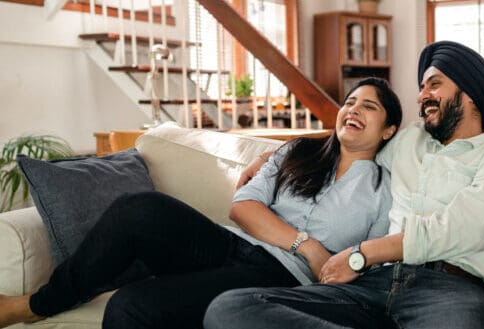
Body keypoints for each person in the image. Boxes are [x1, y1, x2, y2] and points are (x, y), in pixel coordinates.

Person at [0, 77, 402, 329]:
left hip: (278, 278)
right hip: (231, 243)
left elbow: (371, 264)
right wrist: (309, 245)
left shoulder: (385, 191)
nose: (353, 109)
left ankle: (127, 280)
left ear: (388, 130)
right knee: (138, 208)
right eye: (350, 101)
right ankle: (38, 305)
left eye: (369, 107)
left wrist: (331, 263)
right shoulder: (297, 152)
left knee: (132, 307)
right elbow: (242, 207)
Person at [203, 41, 484, 329]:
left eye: (434, 85)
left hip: (450, 289)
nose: (423, 96)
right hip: (372, 285)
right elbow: (351, 141)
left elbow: (461, 228)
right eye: (421, 89)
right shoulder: (408, 142)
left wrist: (363, 253)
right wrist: (274, 154)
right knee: (230, 309)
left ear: (472, 95)